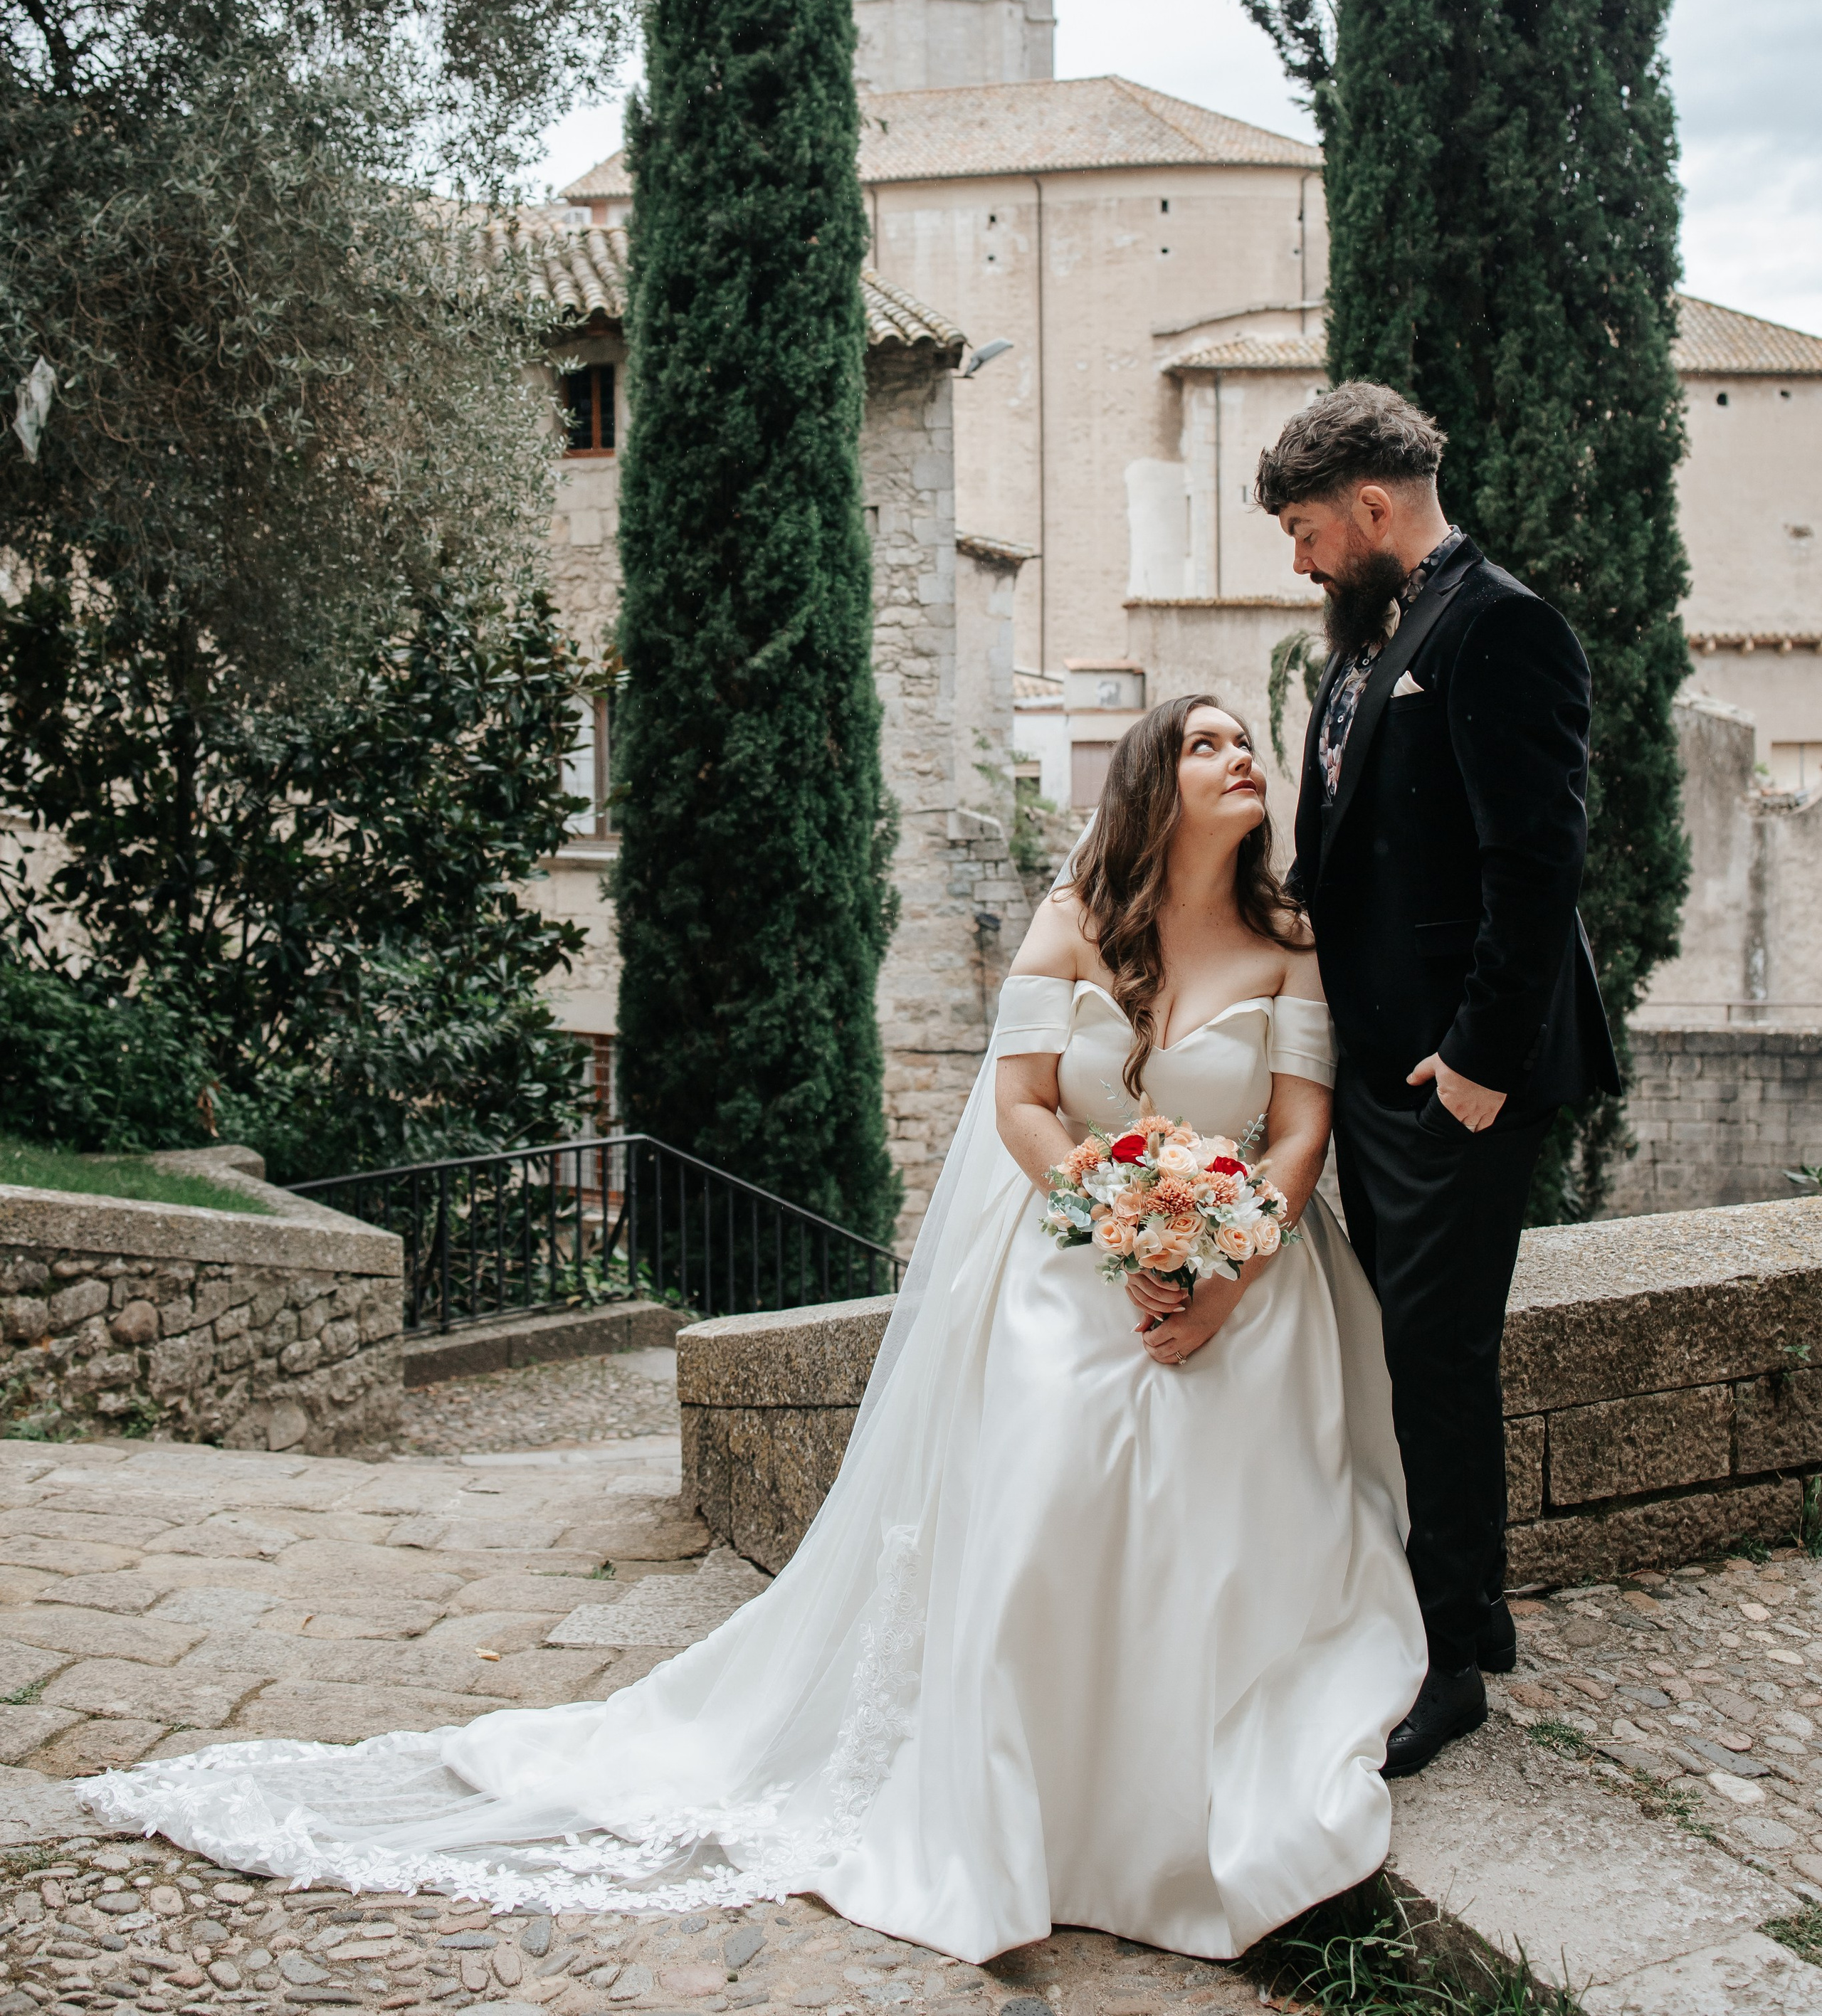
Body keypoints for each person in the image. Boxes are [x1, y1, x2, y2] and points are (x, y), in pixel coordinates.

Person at [84, 697, 1424, 1963]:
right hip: (1072, 1259)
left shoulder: (1287, 938)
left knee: (1211, 1474)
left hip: (1249, 1265)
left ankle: (1172, 1809)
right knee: (1055, 1466)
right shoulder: (1074, 919)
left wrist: (1224, 1263)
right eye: (1209, 742)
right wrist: (1119, 1218)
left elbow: (1298, 1132)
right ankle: (1014, 1818)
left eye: (1249, 740)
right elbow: (1021, 1104)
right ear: (1152, 781)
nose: (1245, 754)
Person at [1254, 381, 1618, 1778]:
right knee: (1400, 1356)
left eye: (1301, 531)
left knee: (1437, 1364)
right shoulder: (1362, 643)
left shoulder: (1499, 627)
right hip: (1378, 1076)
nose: (1294, 560)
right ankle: (1435, 1615)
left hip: (1454, 1079)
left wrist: (1470, 1068)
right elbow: (1340, 855)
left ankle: (1451, 1656)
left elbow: (1535, 872)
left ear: (1369, 506)